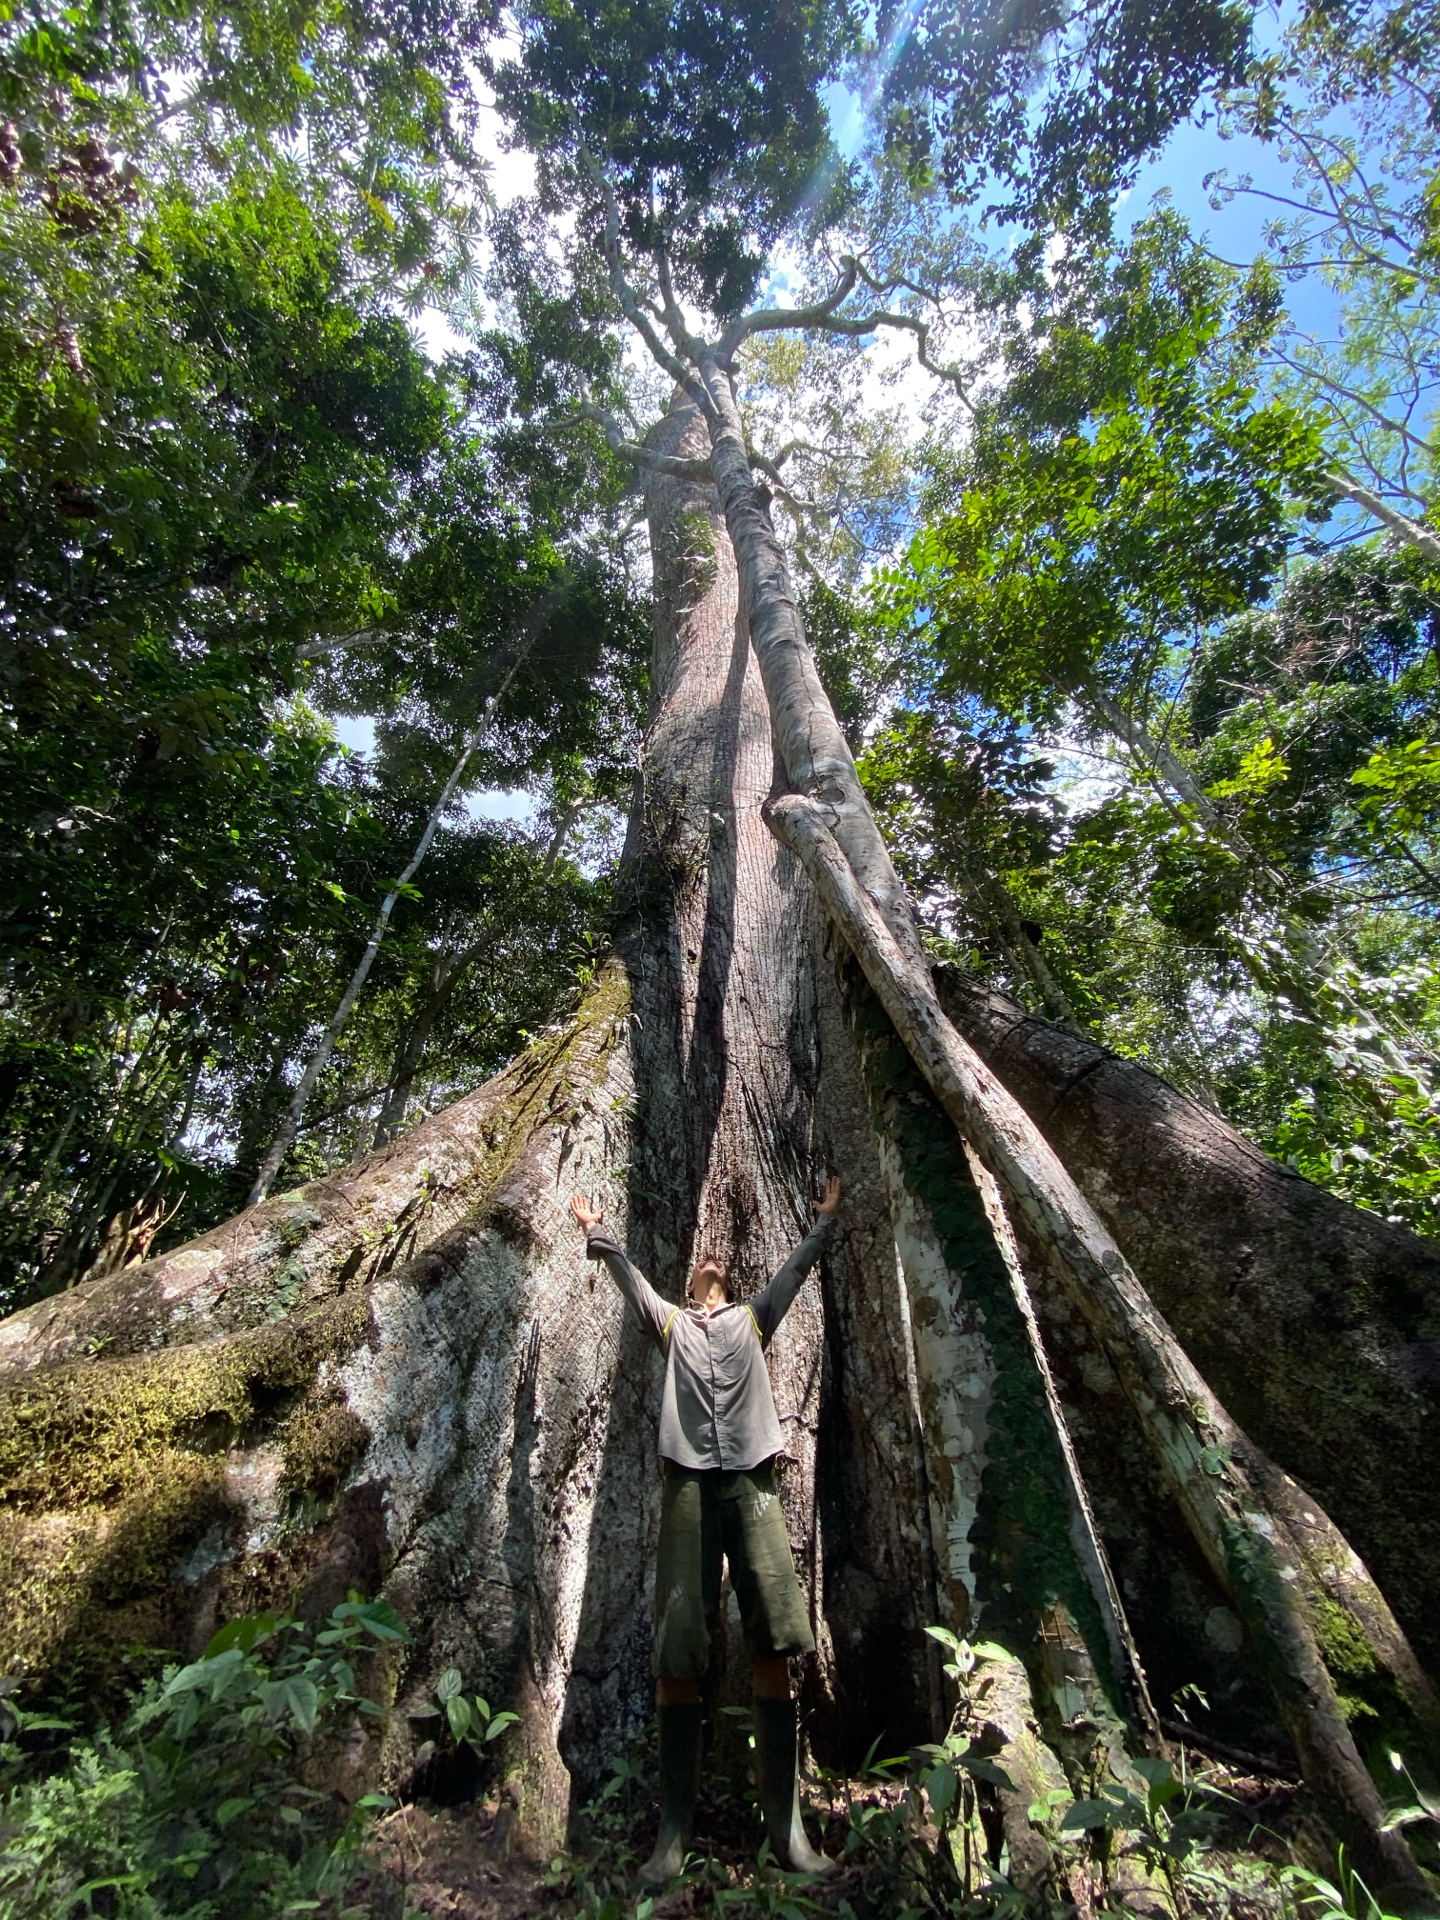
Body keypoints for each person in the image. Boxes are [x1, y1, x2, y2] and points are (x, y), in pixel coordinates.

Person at [568, 1176, 843, 1887]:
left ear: (729, 1285)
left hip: (753, 1479)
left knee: (777, 1636)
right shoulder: (673, 1324)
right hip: (688, 1480)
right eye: (702, 1270)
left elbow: (793, 1273)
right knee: (678, 1648)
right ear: (692, 1288)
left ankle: (787, 1830)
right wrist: (600, 1236)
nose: (712, 1270)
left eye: (719, 1270)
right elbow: (633, 1286)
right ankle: (672, 1833)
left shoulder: (754, 1318)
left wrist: (822, 1224)